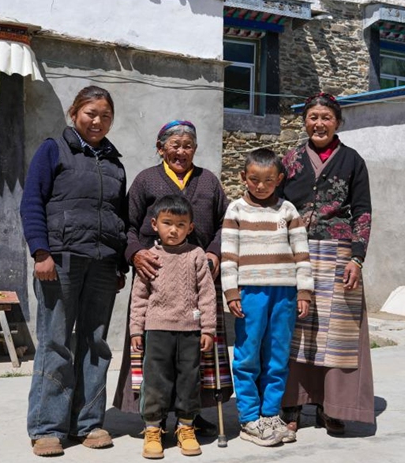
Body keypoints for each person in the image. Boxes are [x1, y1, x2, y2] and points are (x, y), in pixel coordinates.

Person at [20, 85, 128, 457]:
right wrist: (40, 252)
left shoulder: (115, 162)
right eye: (91, 113)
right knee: (56, 341)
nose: (97, 121)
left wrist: (119, 262)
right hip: (60, 261)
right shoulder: (53, 150)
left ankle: (89, 422)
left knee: (96, 342)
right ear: (74, 113)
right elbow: (32, 201)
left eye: (105, 116)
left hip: (102, 263)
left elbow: (120, 217)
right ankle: (47, 427)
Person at [113, 120, 232, 435]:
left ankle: (190, 415)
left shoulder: (208, 181)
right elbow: (126, 224)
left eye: (188, 145)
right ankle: (155, 417)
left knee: (196, 356)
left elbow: (225, 222)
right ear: (160, 148)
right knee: (157, 355)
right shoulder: (146, 180)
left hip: (197, 275)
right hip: (156, 280)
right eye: (175, 145)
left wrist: (215, 253)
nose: (181, 151)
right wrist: (136, 253)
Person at [280, 91, 375, 436]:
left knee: (338, 335)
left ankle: (331, 406)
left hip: (338, 253)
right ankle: (290, 403)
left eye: (326, 117)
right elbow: (274, 205)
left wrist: (357, 258)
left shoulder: (352, 160)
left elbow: (362, 211)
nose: (319, 123)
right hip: (296, 252)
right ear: (304, 121)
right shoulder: (289, 159)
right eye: (312, 117)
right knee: (292, 329)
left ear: (338, 122)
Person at [221, 148, 313, 447]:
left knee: (277, 355)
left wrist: (304, 290)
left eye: (268, 180)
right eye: (254, 179)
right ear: (243, 177)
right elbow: (228, 255)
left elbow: (302, 254)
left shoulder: (288, 211)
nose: (261, 186)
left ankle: (270, 413)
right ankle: (249, 419)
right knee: (247, 356)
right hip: (250, 293)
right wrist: (231, 291)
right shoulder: (235, 210)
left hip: (284, 293)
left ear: (279, 179)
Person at [129, 194, 216, 459]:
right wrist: (136, 329)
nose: (174, 230)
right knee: (155, 382)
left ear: (190, 227)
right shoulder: (150, 257)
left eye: (180, 224)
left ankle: (186, 427)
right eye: (168, 223)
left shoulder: (197, 255)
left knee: (189, 380)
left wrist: (208, 329)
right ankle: (153, 428)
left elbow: (207, 294)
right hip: (156, 330)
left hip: (190, 330)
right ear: (155, 224)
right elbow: (139, 296)